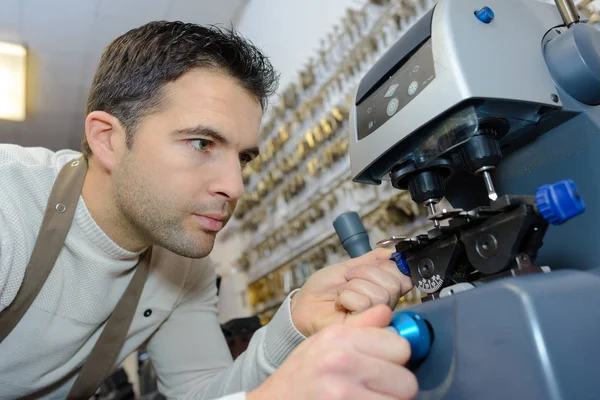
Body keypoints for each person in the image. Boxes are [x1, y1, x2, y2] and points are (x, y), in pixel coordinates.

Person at [0, 21, 418, 399]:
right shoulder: (8, 204)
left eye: (244, 159)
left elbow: (203, 393)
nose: (235, 187)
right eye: (201, 143)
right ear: (107, 139)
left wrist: (294, 322)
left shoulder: (185, 266)